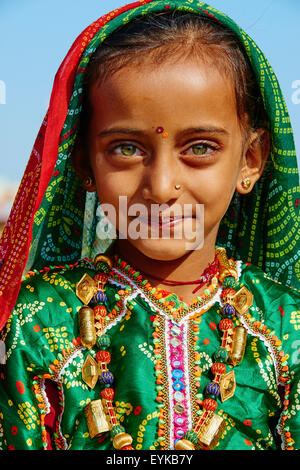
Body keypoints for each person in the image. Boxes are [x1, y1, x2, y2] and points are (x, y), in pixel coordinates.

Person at [0, 0, 299, 452]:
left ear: (250, 160)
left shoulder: (285, 328)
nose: (161, 187)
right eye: (126, 148)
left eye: (199, 148)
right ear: (84, 161)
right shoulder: (35, 322)